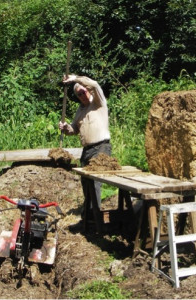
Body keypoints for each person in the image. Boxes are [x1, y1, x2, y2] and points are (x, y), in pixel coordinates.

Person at [59, 74, 111, 232]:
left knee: (94, 184)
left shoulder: (98, 102)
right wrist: (66, 128)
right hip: (87, 150)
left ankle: (95, 221)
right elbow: (74, 129)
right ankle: (88, 219)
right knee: (86, 186)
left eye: (83, 91)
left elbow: (94, 84)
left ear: (88, 90)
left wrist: (75, 79)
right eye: (79, 94)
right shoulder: (81, 110)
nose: (82, 95)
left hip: (101, 147)